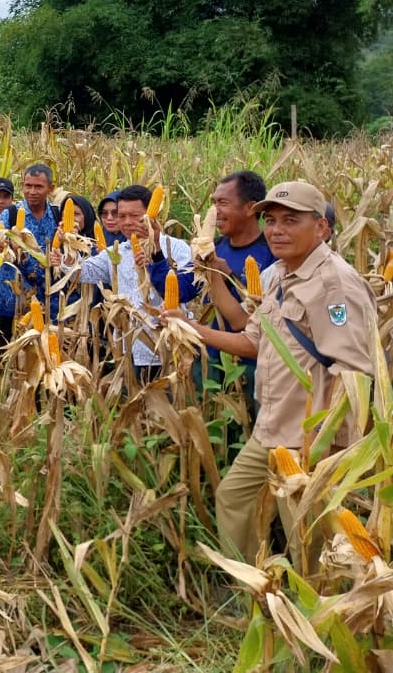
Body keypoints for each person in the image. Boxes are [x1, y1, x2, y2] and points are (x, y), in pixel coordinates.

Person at [160, 181, 378, 565]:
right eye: (271, 220)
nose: (277, 230)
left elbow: (356, 374)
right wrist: (190, 326)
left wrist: (323, 443)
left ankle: (312, 597)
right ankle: (253, 587)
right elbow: (252, 340)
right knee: (234, 497)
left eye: (291, 221)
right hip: (273, 428)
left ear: (321, 227)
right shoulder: (276, 275)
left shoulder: (335, 285)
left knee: (305, 532)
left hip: (311, 437)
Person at [146, 171, 273, 409]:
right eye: (213, 203)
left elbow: (246, 320)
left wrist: (225, 274)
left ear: (250, 208)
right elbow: (179, 291)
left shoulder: (271, 254)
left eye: (223, 203)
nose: (214, 211)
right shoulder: (215, 247)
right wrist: (155, 249)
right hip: (213, 360)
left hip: (254, 366)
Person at [63, 184, 191, 381]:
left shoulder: (175, 248)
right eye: (122, 216)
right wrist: (69, 251)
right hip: (127, 348)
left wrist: (155, 258)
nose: (127, 222)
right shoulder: (117, 251)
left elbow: (184, 292)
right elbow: (82, 273)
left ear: (152, 215)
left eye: (135, 216)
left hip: (166, 348)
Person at [0, 164, 60, 339]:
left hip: (48, 300)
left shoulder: (57, 215)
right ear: (22, 186)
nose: (32, 191)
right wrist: (5, 248)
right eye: (28, 186)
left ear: (50, 188)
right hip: (13, 302)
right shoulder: (10, 214)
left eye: (38, 187)